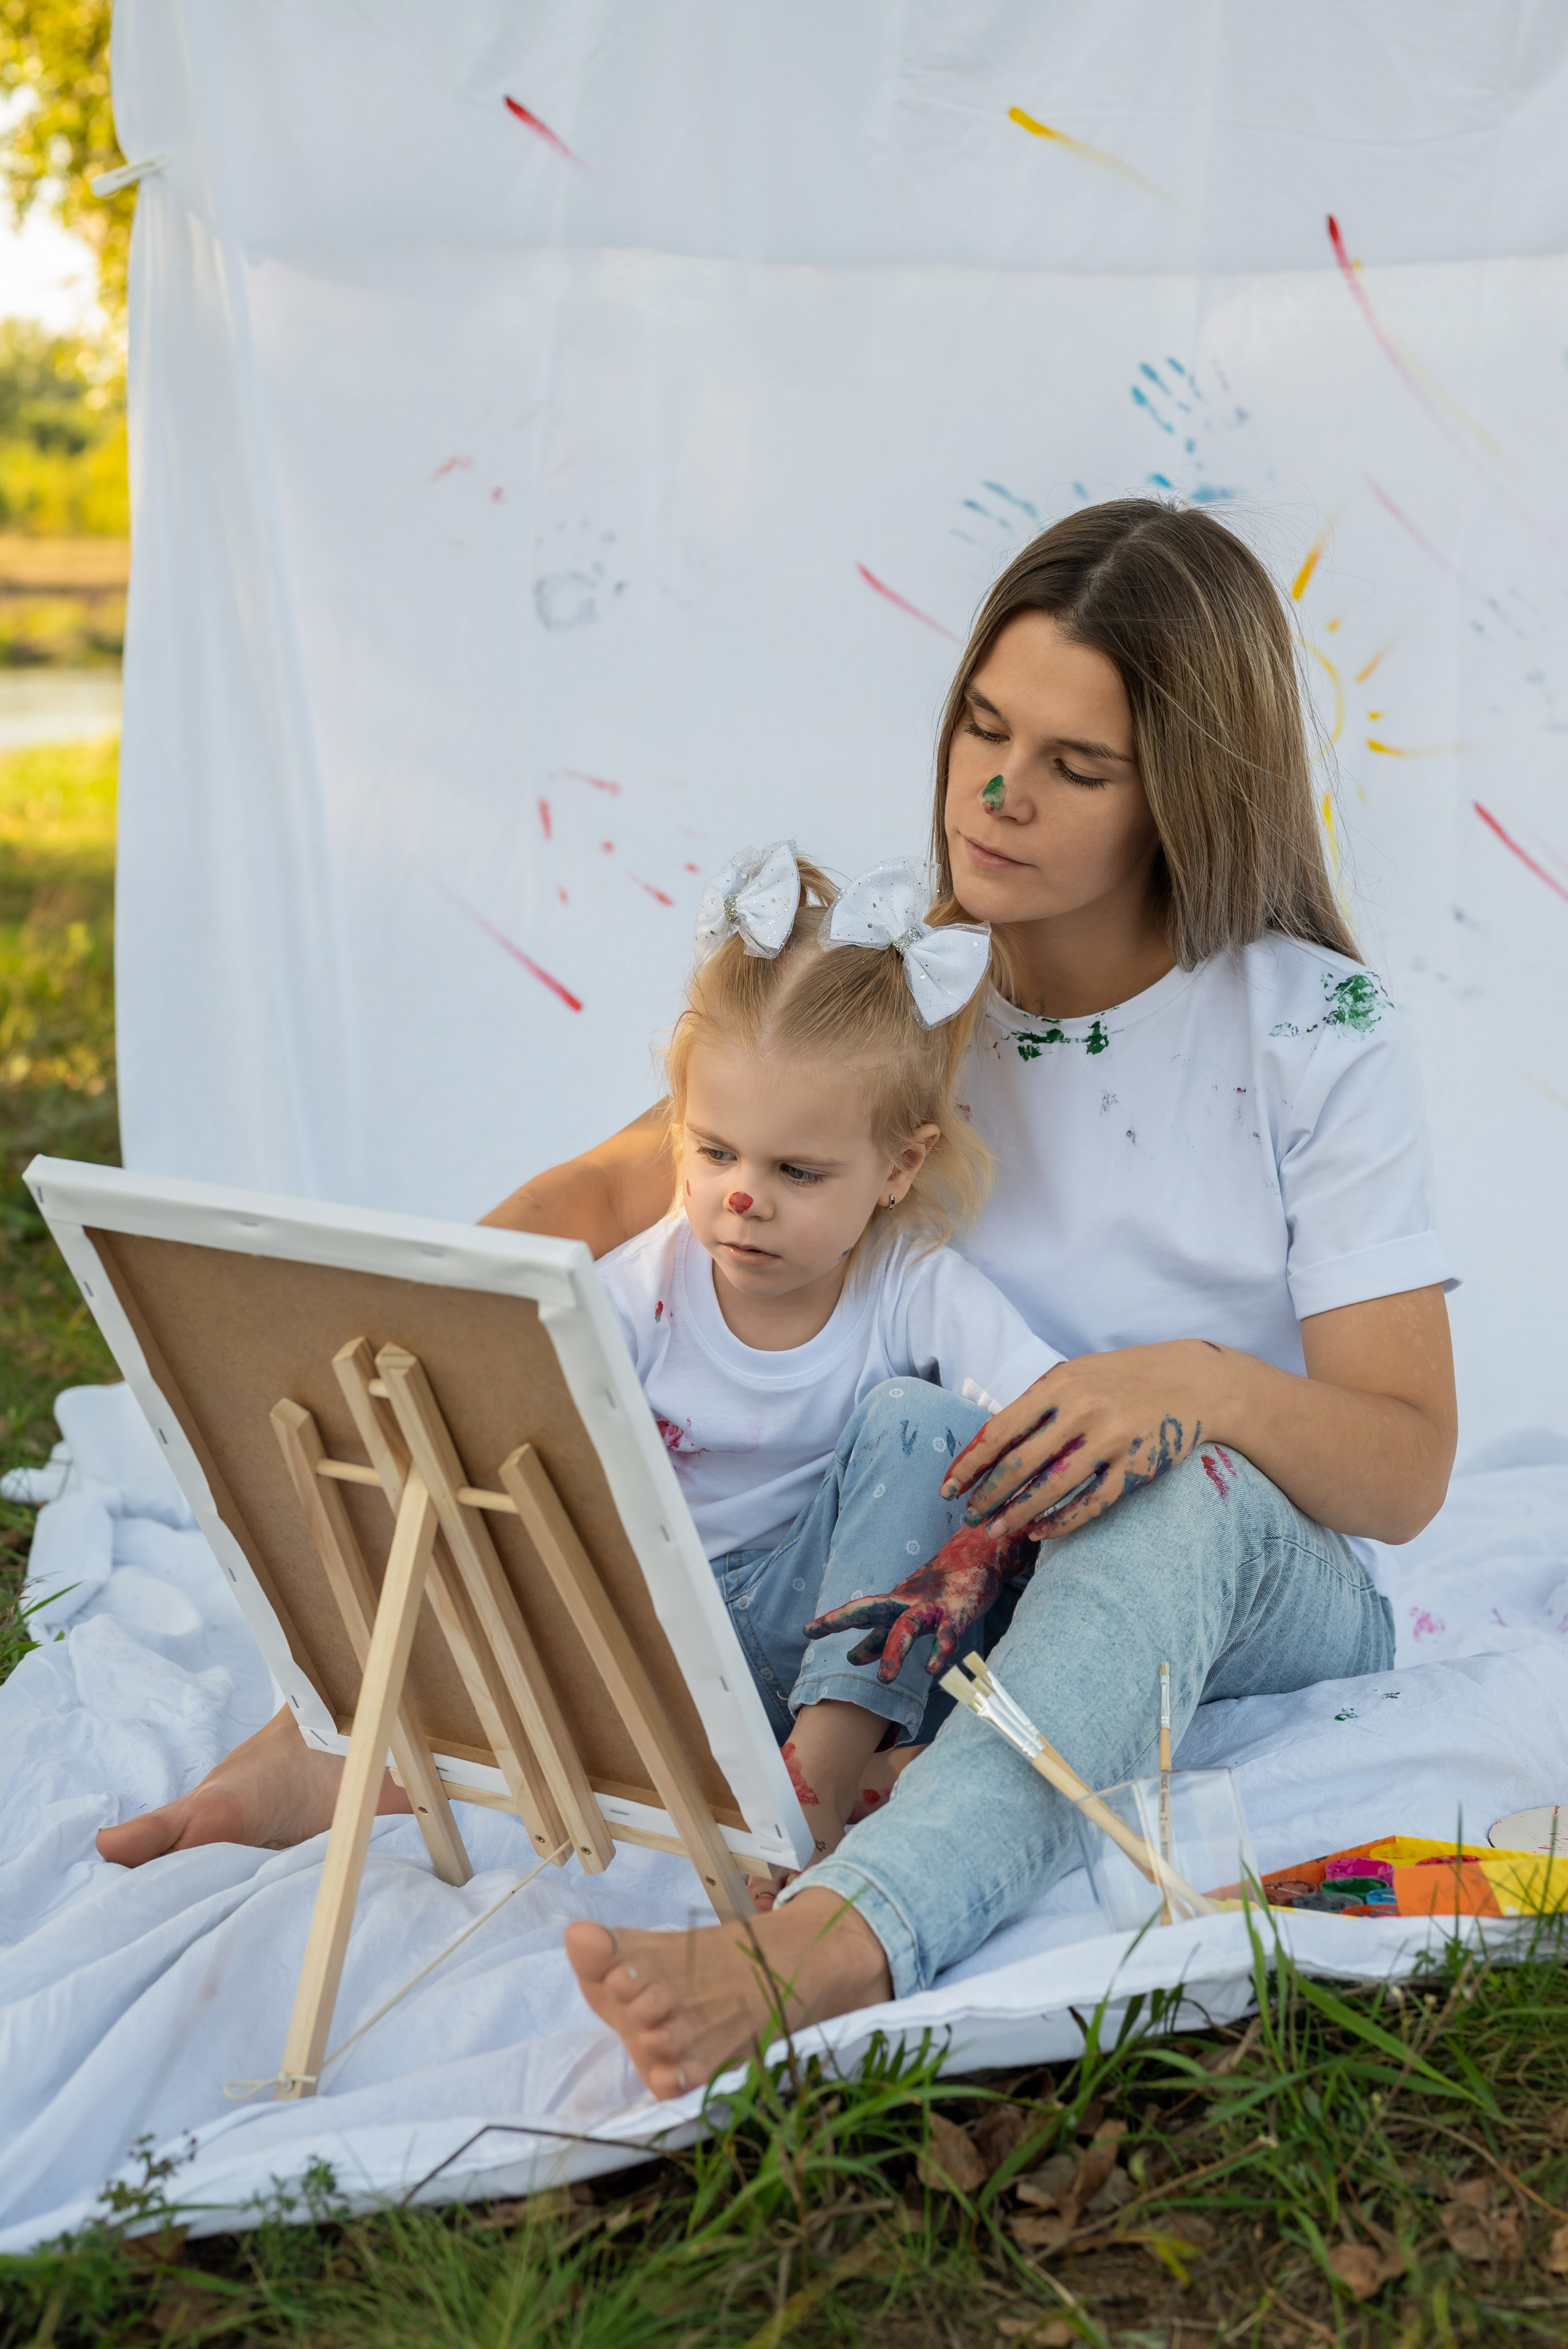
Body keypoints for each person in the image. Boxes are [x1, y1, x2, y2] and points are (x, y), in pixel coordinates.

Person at [100, 501, 1457, 2111]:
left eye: (1075, 767)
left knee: (1170, 1502)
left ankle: (823, 1944)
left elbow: (1406, 1465)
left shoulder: (1316, 1025)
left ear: (1184, 796)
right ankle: (376, 1728)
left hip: (1226, 1553)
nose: (997, 793)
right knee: (753, 1428)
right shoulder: (914, 992)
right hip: (960, 1561)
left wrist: (1187, 1386)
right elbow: (634, 1179)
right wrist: (433, 1308)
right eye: (982, 725)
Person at [597, 839, 1060, 1859]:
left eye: (799, 1171)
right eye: (713, 1152)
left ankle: (851, 1763)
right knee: (919, 1428)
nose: (744, 1196)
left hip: (863, 1647)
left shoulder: (907, 1286)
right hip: (694, 1644)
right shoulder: (642, 1289)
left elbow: (1050, 1410)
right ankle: (819, 1785)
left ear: (898, 1167)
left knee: (940, 1438)